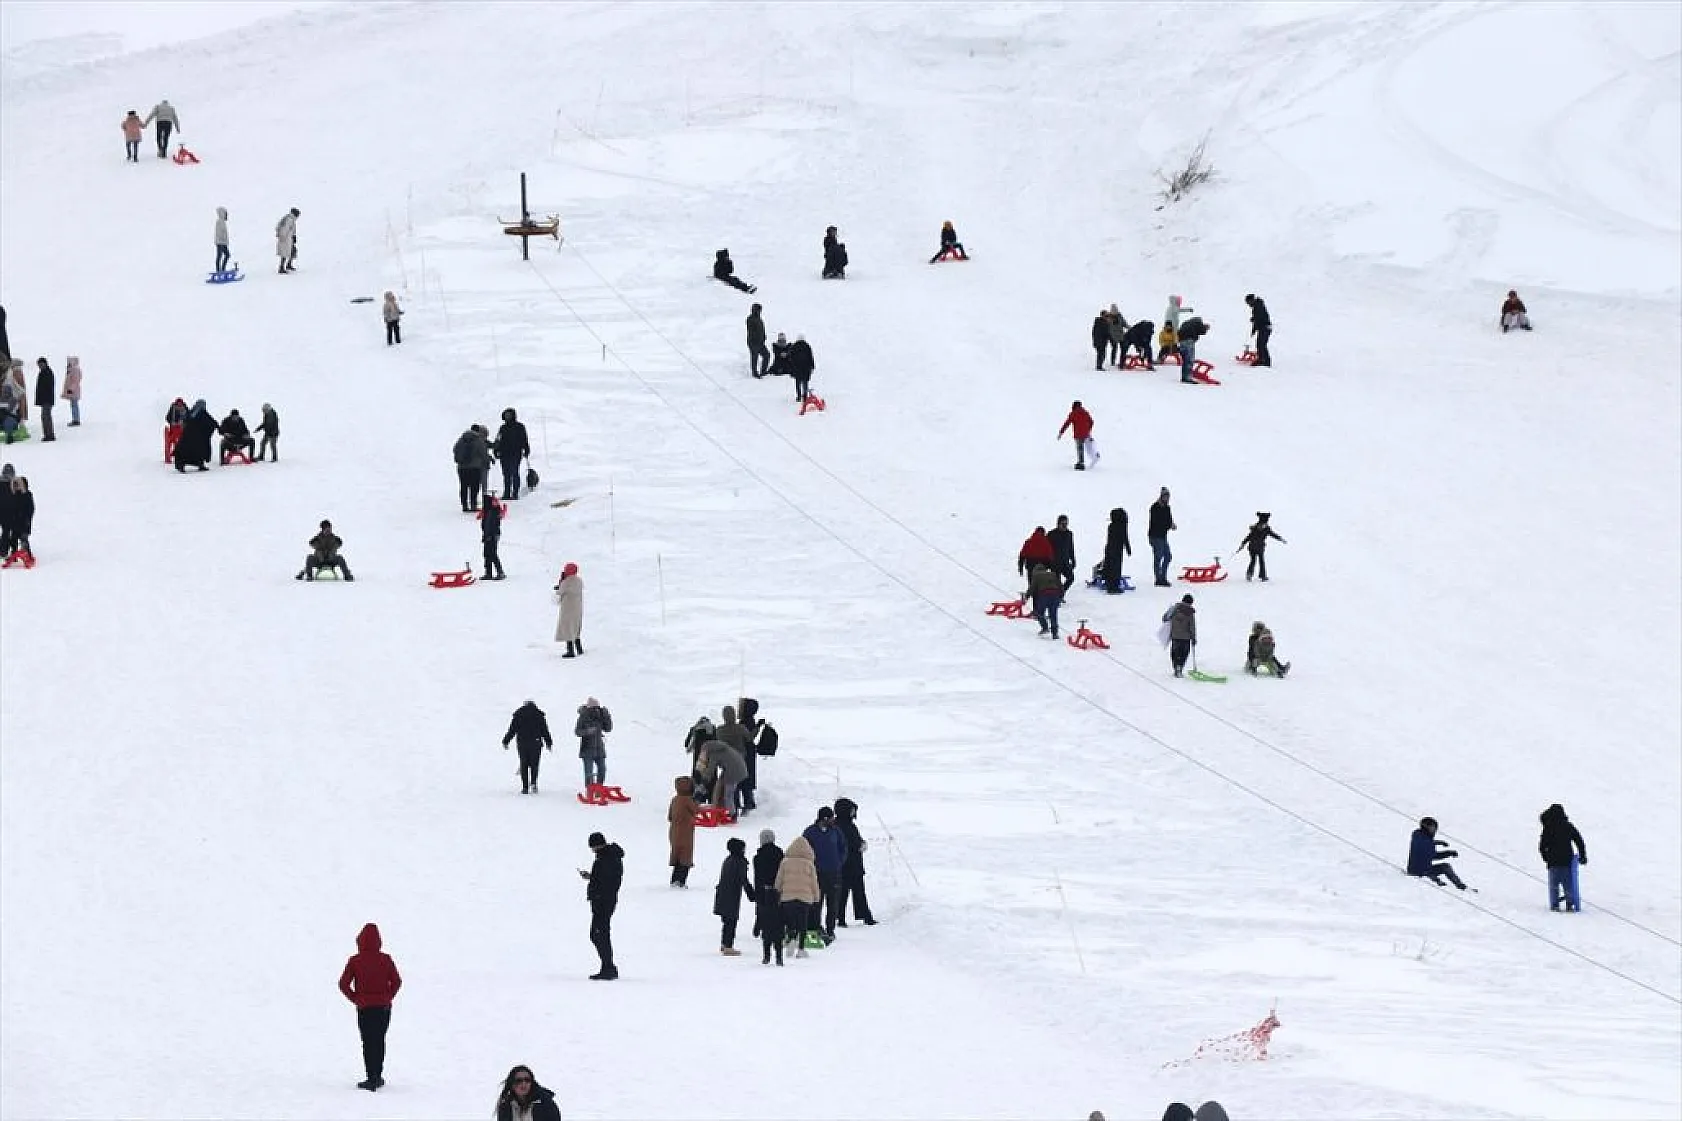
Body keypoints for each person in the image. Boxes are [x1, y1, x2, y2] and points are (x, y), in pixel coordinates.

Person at [337, 922, 401, 1092]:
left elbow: (343, 984)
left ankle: (371, 1077)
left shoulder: (355, 961)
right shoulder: (386, 959)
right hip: (383, 1009)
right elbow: (397, 981)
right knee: (379, 1040)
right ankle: (377, 1076)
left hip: (365, 1008)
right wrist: (388, 997)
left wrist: (356, 999)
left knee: (368, 1042)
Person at [803, 806, 849, 941]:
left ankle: (830, 929)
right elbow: (804, 848)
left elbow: (843, 847)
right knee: (816, 902)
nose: (833, 820)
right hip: (816, 873)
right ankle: (816, 927)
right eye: (831, 817)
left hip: (834, 873)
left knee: (833, 902)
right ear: (824, 818)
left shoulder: (836, 831)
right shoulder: (810, 832)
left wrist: (839, 861)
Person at [580, 832, 623, 979]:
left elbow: (606, 881)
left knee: (599, 934)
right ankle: (608, 967)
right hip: (604, 900)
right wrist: (592, 877)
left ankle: (608, 968)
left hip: (603, 901)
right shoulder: (609, 857)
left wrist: (595, 885)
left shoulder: (606, 859)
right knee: (599, 934)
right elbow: (605, 878)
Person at [773, 834, 821, 958]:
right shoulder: (809, 864)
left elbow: (779, 879)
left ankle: (792, 939)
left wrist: (777, 891)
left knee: (790, 921)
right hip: (805, 898)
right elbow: (814, 882)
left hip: (788, 897)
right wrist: (816, 896)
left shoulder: (785, 862)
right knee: (803, 923)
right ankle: (801, 949)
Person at [833, 797, 876, 926]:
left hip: (847, 865)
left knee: (847, 893)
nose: (853, 813)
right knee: (852, 892)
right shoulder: (843, 826)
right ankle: (861, 917)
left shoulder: (842, 825)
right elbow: (852, 843)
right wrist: (861, 845)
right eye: (851, 810)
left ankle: (845, 918)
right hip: (849, 864)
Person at [1538, 803, 1587, 912]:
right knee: (1568, 883)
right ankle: (1570, 903)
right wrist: (1583, 855)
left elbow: (1542, 846)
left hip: (1553, 862)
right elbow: (1579, 840)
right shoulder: (1567, 826)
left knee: (1554, 885)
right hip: (1567, 861)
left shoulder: (1548, 828)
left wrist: (1546, 858)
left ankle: (1555, 904)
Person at [714, 837, 756, 955]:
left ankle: (724, 944)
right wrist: (751, 894)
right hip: (732, 894)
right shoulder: (739, 862)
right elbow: (743, 879)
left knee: (727, 920)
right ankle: (728, 946)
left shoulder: (728, 860)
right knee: (731, 921)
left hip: (723, 893)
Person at [502, 699, 553, 794]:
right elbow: (545, 730)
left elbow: (512, 730)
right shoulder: (539, 715)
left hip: (522, 743)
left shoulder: (518, 714)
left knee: (523, 763)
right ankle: (533, 783)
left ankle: (525, 787)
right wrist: (548, 743)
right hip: (536, 743)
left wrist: (506, 741)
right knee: (535, 764)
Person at [714, 704, 755, 815]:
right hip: (740, 759)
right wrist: (758, 727)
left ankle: (733, 806)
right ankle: (744, 806)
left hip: (726, 760)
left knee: (730, 785)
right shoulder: (740, 728)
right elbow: (750, 738)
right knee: (742, 782)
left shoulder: (719, 730)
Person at [1406, 816, 1468, 890]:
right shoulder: (1424, 841)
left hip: (1421, 869)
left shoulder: (1418, 835)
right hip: (1418, 872)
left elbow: (1428, 846)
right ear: (1426, 827)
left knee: (1444, 867)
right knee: (1443, 874)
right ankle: (1454, 886)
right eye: (1433, 828)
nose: (1435, 830)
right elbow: (1433, 856)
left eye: (1435, 828)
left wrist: (1438, 843)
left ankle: (1459, 886)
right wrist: (1448, 853)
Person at [753, 829, 786, 965]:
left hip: (763, 892)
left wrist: (758, 892)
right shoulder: (780, 854)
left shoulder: (758, 857)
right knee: (778, 922)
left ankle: (766, 955)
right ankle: (779, 956)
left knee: (764, 918)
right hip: (778, 891)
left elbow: (758, 877)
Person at [494, 1065, 563, 1121]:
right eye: (519, 1080)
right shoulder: (506, 1106)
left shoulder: (545, 1103)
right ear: (512, 1084)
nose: (523, 1084)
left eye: (527, 1080)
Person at [668, 776, 699, 887]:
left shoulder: (675, 799)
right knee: (685, 858)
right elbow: (696, 810)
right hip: (686, 833)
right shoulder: (688, 800)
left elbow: (670, 816)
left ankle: (674, 880)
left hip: (674, 832)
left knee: (677, 855)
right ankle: (681, 881)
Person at [704, 738, 749, 815]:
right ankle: (719, 808)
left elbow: (710, 770)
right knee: (720, 785)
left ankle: (732, 814)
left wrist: (704, 779)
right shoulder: (724, 748)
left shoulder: (714, 754)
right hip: (739, 769)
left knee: (728, 794)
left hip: (733, 772)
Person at [493, 408, 530, 500]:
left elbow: (524, 439)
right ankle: (506, 493)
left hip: (515, 453)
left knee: (514, 472)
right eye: (506, 415)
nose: (507, 416)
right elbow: (498, 440)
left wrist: (526, 449)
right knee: (506, 474)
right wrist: (496, 450)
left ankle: (515, 493)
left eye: (509, 415)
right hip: (504, 454)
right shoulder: (503, 428)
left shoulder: (520, 427)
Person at [452, 425, 491, 511]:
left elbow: (455, 450)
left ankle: (464, 505)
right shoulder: (478, 440)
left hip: (462, 468)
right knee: (474, 487)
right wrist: (487, 462)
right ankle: (473, 505)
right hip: (475, 467)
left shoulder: (461, 439)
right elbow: (483, 453)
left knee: (464, 486)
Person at [576, 697, 612, 789]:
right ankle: (590, 790)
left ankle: (599, 788)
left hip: (599, 748)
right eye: (594, 708)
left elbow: (608, 728)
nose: (596, 710)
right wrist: (588, 731)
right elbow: (577, 731)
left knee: (602, 769)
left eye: (597, 708)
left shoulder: (600, 715)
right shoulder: (583, 716)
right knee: (589, 772)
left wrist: (607, 716)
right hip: (587, 749)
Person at [1239, 512, 1285, 581]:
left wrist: (1243, 544)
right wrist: (1280, 538)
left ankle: (1250, 574)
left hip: (1253, 547)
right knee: (1260, 561)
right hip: (1258, 547)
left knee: (1253, 560)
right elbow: (1273, 534)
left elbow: (1248, 537)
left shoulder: (1255, 527)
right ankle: (1262, 576)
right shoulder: (1266, 528)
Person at [174, 399, 218, 472]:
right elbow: (211, 422)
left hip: (190, 437)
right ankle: (198, 465)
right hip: (194, 437)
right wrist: (218, 427)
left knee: (188, 451)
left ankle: (184, 465)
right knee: (198, 451)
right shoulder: (201, 413)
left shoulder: (192, 412)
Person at [1162, 594, 1196, 678]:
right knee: (1184, 653)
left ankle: (1176, 667)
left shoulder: (1174, 608)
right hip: (1186, 637)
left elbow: (1164, 618)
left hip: (1175, 636)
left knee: (1175, 653)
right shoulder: (1190, 612)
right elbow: (1191, 625)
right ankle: (1180, 668)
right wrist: (1193, 637)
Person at [554, 562, 584, 657]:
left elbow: (557, 595)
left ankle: (570, 651)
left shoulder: (566, 582)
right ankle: (579, 648)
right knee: (576, 628)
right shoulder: (579, 581)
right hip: (578, 609)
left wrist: (561, 582)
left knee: (568, 629)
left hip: (567, 609)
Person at [1100, 507, 1132, 593]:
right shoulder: (1121, 526)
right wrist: (1128, 548)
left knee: (1110, 566)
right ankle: (1113, 587)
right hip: (1116, 550)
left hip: (1110, 548)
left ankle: (1109, 583)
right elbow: (1124, 537)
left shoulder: (1111, 526)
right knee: (1116, 568)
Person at [1147, 488, 1175, 586]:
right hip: (1155, 536)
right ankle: (1159, 579)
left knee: (1168, 556)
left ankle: (1162, 577)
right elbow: (1156, 523)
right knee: (1158, 557)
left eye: (1168, 496)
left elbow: (1169, 520)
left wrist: (1171, 524)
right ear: (1161, 496)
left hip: (1163, 536)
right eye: (1165, 496)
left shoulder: (1167, 508)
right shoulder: (1155, 507)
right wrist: (1168, 525)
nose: (1167, 498)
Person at [4, 476, 34, 564]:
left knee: (24, 539)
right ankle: (13, 554)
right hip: (15, 522)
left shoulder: (27, 495)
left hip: (24, 522)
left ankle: (28, 555)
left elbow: (31, 508)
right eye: (15, 485)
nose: (17, 487)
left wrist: (27, 518)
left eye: (18, 485)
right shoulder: (15, 495)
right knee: (13, 539)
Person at [1028, 562, 1063, 639]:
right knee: (1053, 615)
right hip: (1055, 595)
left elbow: (1032, 588)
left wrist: (1026, 597)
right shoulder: (1053, 574)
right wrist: (1060, 597)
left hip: (1044, 595)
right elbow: (1060, 586)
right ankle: (1055, 633)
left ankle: (1045, 627)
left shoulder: (1036, 576)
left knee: (1039, 612)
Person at [1058, 400, 1094, 470]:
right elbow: (1091, 421)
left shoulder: (1073, 413)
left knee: (1080, 448)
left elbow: (1067, 423)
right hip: (1086, 433)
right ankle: (1094, 456)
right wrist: (1088, 429)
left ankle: (1081, 463)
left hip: (1078, 434)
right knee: (1088, 446)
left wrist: (1061, 432)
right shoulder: (1085, 412)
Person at [1047, 514, 1077, 594]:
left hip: (1065, 562)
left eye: (1066, 524)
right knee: (1057, 582)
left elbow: (1071, 547)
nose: (1064, 526)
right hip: (1054, 563)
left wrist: (1073, 560)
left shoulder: (1069, 534)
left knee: (1071, 578)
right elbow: (1047, 549)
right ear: (1058, 524)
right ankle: (1057, 597)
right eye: (1063, 524)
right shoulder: (1051, 534)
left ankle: (1060, 593)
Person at [480, 493, 506, 580]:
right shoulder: (488, 512)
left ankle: (500, 572)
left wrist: (490, 535)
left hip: (493, 535)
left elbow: (493, 525)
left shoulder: (494, 512)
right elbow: (485, 525)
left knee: (492, 554)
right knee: (487, 554)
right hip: (488, 535)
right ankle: (488, 572)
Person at [1176, 316, 1209, 383]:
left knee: (1185, 360)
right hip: (1189, 341)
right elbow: (1202, 331)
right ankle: (1187, 378)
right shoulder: (1197, 322)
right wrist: (1206, 328)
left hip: (1181, 342)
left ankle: (1184, 377)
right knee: (1189, 360)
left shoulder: (1185, 323)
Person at [1245, 293, 1272, 365]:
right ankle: (1261, 359)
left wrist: (1254, 320)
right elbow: (1258, 318)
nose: (1248, 305)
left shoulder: (1258, 306)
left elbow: (1259, 318)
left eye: (1248, 302)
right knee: (1260, 344)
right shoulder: (1257, 305)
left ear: (1252, 300)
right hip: (1263, 328)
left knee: (1261, 344)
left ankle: (1265, 361)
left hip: (1265, 328)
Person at [32, 358, 54, 442]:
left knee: (46, 417)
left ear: (45, 363)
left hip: (47, 399)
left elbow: (46, 387)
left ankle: (49, 435)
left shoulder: (47, 372)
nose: (39, 366)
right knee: (45, 417)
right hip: (45, 399)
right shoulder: (43, 372)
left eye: (41, 364)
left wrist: (43, 397)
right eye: (38, 365)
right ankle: (48, 434)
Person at [788, 335, 815, 403]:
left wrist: (791, 368)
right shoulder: (807, 346)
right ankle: (805, 396)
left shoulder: (794, 346)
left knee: (798, 382)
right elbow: (810, 357)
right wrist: (812, 366)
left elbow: (791, 358)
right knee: (805, 382)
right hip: (806, 368)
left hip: (797, 368)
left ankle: (799, 396)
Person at [746, 303, 769, 378]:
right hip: (753, 342)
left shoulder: (759, 319)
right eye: (758, 310)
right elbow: (752, 331)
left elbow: (761, 329)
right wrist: (757, 339)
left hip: (760, 342)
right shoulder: (750, 319)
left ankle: (763, 371)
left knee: (766, 355)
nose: (760, 311)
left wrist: (764, 336)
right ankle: (755, 373)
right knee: (754, 357)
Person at [275, 208, 299, 273]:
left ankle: (288, 264)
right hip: (285, 239)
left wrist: (294, 236)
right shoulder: (289, 219)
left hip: (288, 239)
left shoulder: (289, 218)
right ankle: (281, 268)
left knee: (293, 251)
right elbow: (285, 229)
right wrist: (282, 237)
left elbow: (291, 229)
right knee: (285, 253)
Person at [60, 357, 82, 427]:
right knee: (73, 405)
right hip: (73, 391)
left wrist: (71, 389)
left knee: (74, 405)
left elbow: (75, 381)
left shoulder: (75, 370)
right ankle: (75, 419)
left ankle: (76, 420)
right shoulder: (71, 370)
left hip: (73, 391)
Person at [214, 207, 231, 274]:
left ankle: (223, 269)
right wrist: (223, 238)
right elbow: (219, 232)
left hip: (223, 243)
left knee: (227, 255)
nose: (227, 216)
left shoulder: (223, 222)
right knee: (219, 256)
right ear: (222, 214)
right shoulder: (219, 222)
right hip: (220, 242)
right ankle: (218, 271)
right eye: (226, 214)